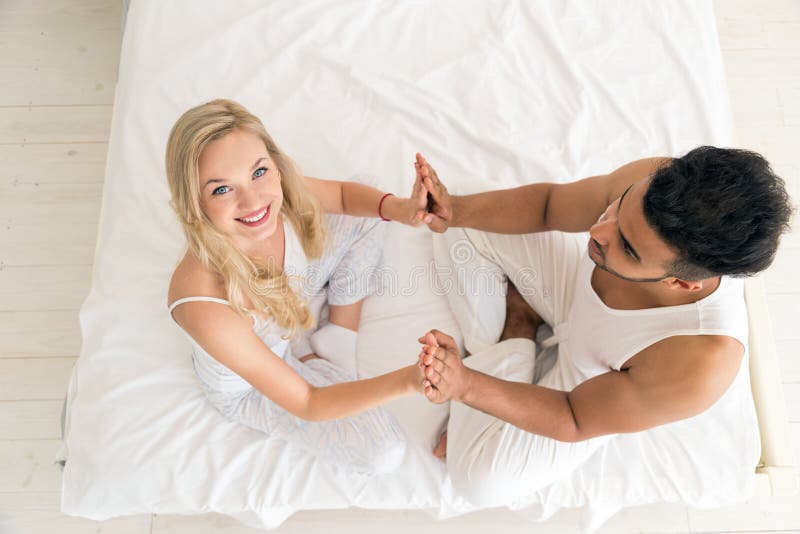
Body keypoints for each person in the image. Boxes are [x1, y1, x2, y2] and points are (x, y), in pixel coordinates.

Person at [413, 148, 793, 505]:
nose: (597, 232)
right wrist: (454, 209)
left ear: (680, 283)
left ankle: (518, 330)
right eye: (619, 207)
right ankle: (514, 330)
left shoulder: (700, 362)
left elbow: (573, 416)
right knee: (460, 216)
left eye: (627, 247)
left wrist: (466, 387)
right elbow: (549, 207)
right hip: (569, 293)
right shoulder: (653, 180)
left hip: (584, 378)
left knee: (479, 482)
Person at [164, 99, 429, 474]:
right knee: (383, 453)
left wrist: (401, 209)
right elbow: (308, 401)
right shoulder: (203, 302)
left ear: (274, 163)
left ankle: (338, 337)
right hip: (254, 383)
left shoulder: (275, 188)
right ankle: (312, 354)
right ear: (195, 202)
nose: (253, 201)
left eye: (259, 172)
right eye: (222, 190)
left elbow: (340, 196)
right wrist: (408, 379)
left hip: (290, 293)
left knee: (372, 199)